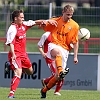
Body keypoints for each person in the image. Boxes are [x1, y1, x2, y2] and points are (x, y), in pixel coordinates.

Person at [5, 9, 57, 98]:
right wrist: (13, 54)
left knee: (30, 72)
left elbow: (35, 22)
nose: (23, 19)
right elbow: (11, 43)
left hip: (23, 54)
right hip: (15, 54)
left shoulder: (24, 25)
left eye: (23, 17)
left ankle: (9, 65)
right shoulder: (12, 29)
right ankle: (11, 94)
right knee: (18, 73)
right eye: (21, 17)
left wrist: (48, 21)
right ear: (15, 18)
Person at [40, 4, 79, 98]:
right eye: (67, 14)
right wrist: (43, 23)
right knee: (58, 52)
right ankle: (61, 70)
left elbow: (75, 42)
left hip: (65, 50)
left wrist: (75, 56)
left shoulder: (75, 26)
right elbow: (43, 26)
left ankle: (44, 90)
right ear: (63, 12)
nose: (69, 17)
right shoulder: (55, 21)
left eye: (71, 15)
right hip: (54, 45)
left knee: (58, 77)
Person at [38, 31, 66, 96]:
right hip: (49, 58)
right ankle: (56, 91)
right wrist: (42, 53)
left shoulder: (60, 33)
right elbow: (39, 45)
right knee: (59, 75)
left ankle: (46, 82)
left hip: (59, 57)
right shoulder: (46, 35)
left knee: (61, 74)